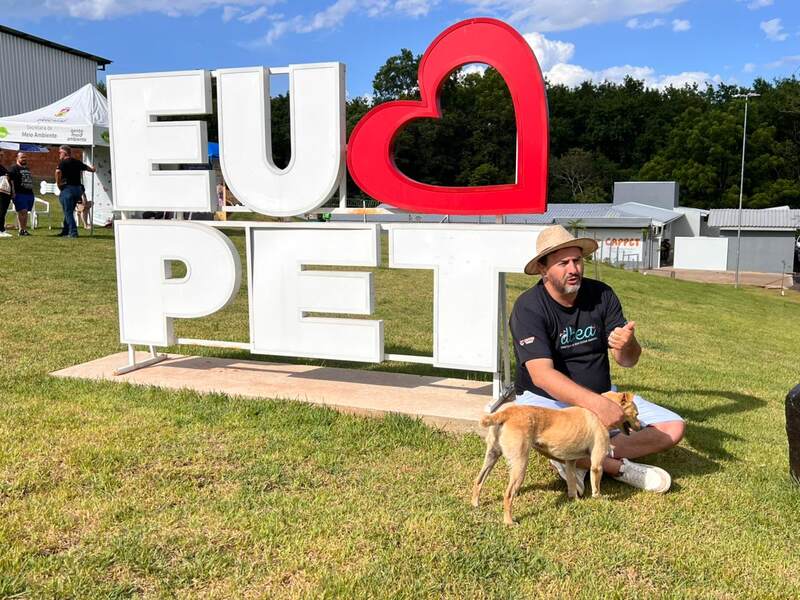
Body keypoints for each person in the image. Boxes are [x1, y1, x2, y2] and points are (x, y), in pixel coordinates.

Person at [509, 225, 684, 494]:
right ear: (543, 268)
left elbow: (627, 360)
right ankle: (617, 467)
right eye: (563, 263)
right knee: (533, 430)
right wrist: (597, 405)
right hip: (547, 399)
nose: (573, 269)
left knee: (673, 427)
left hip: (604, 394)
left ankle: (576, 455)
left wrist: (628, 344)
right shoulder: (529, 306)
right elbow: (542, 376)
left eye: (577, 260)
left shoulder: (602, 294)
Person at [55, 145, 95, 238]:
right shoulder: (77, 162)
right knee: (69, 210)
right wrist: (93, 169)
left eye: (60, 152)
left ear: (65, 153)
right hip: (78, 190)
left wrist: (58, 183)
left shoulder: (63, 163)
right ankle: (65, 231)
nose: (59, 154)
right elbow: (89, 169)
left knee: (68, 212)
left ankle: (73, 233)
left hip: (68, 189)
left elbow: (57, 172)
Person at [8, 152, 35, 236]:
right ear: (17, 158)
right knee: (22, 211)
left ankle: (24, 230)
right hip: (19, 193)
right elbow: (11, 181)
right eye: (22, 157)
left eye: (25, 157)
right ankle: (21, 230)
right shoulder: (14, 168)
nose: (24, 159)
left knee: (25, 212)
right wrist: (13, 192)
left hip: (29, 193)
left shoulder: (27, 168)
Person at [0, 159, 13, 238]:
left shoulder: (2, 167)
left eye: (2, 155)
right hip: (1, 193)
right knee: (1, 212)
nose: (1, 157)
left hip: (6, 193)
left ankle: (2, 230)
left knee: (3, 212)